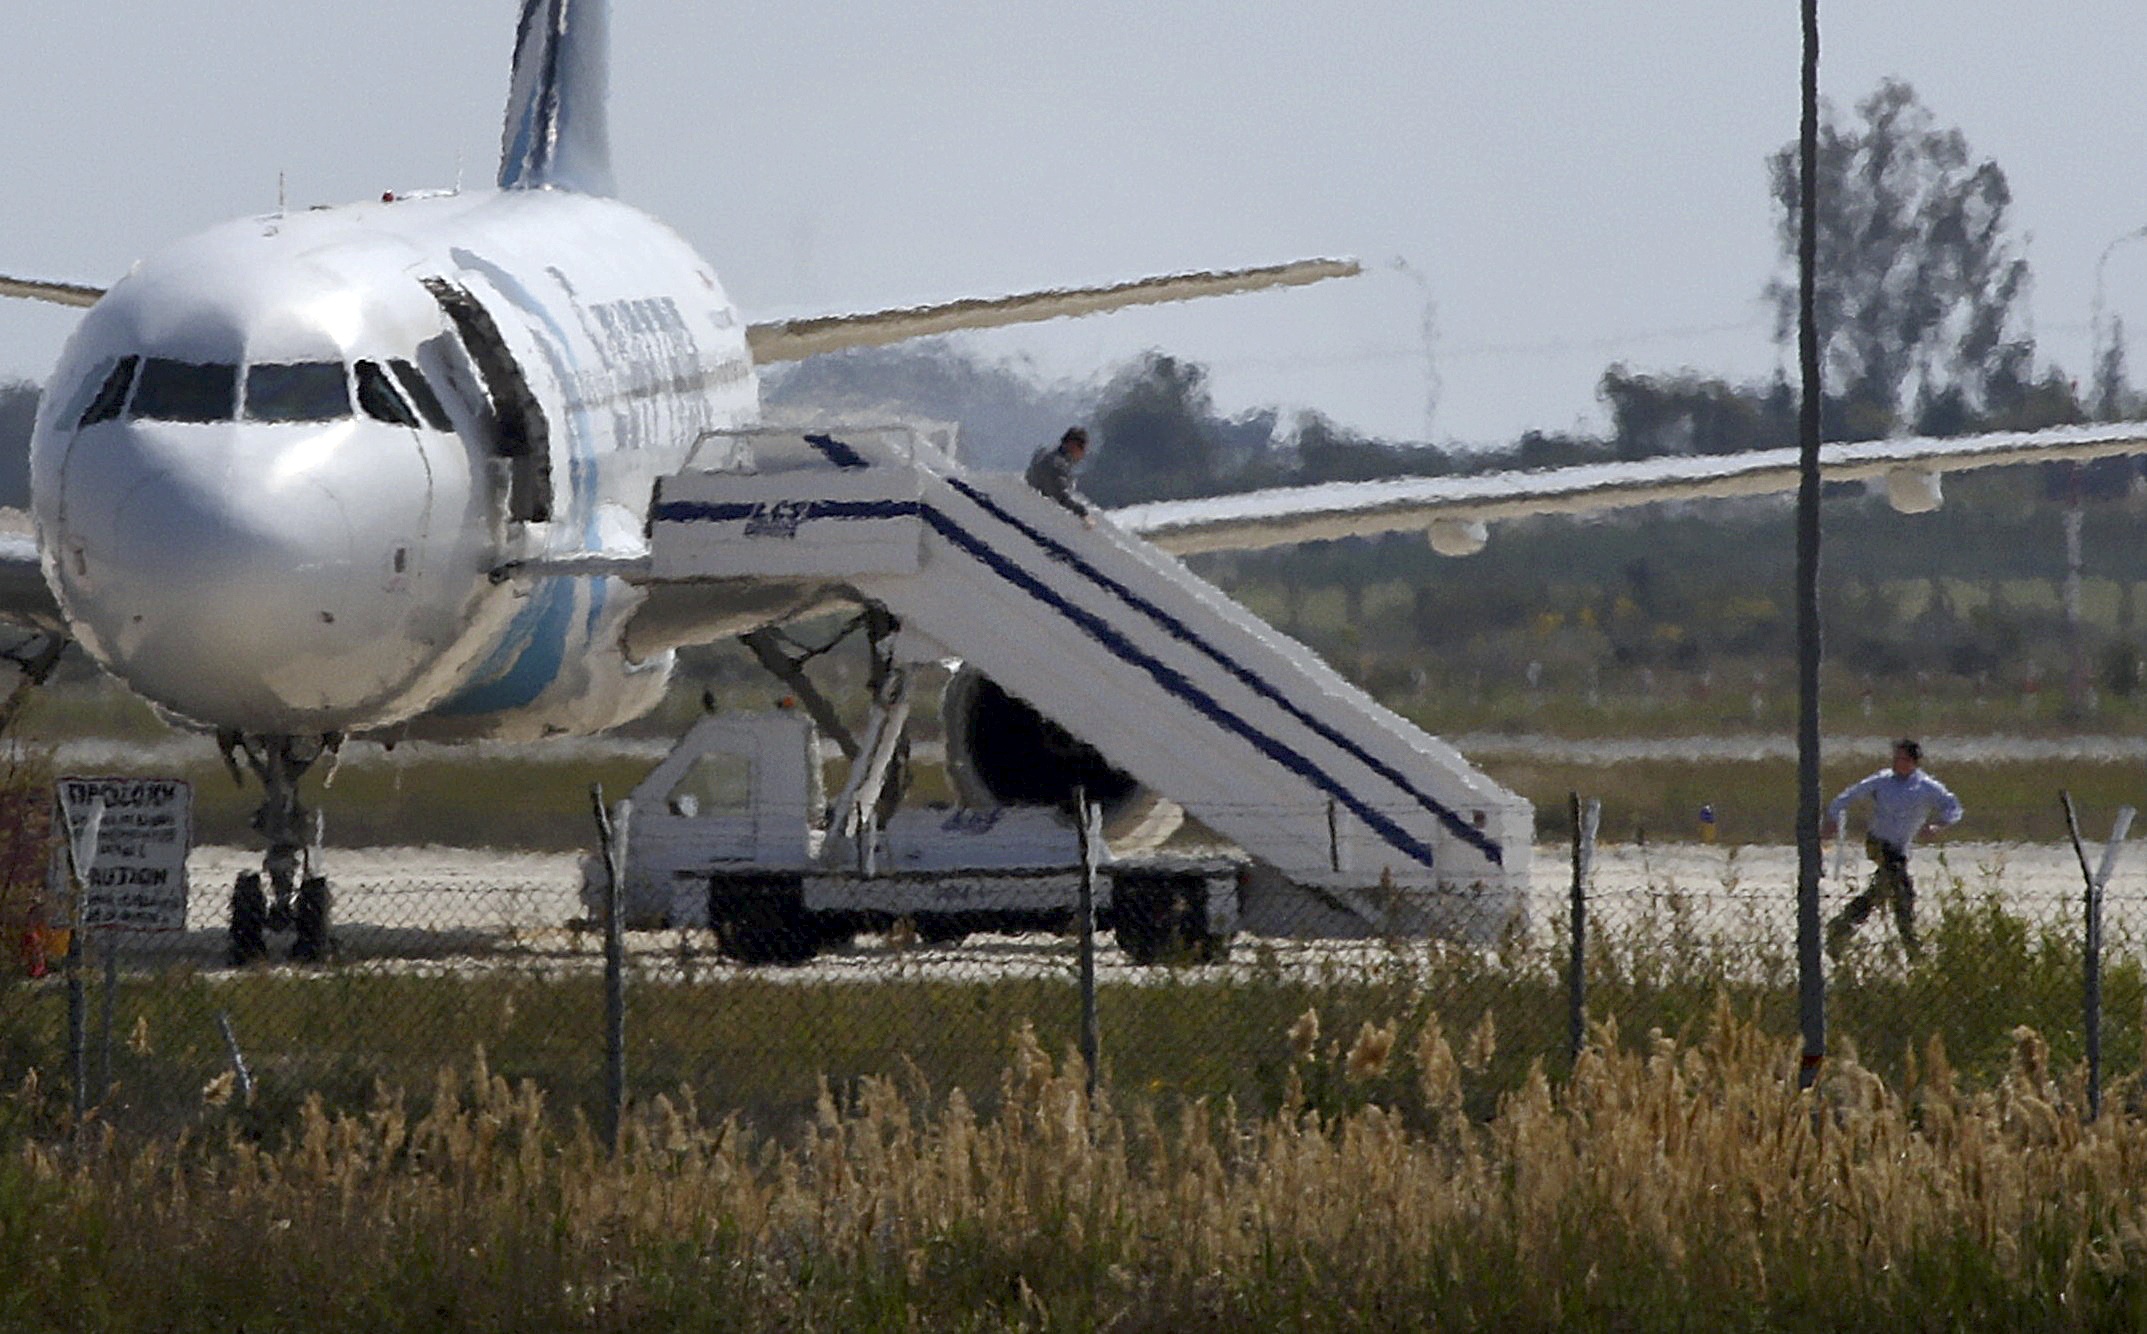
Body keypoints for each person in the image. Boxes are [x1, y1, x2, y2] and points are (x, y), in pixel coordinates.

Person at [1821, 738, 1962, 960]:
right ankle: (1911, 946)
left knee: (1883, 891)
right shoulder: (1882, 780)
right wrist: (1832, 818)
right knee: (1902, 888)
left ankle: (1841, 926)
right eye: (1896, 758)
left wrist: (1937, 826)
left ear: (1914, 762)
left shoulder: (1926, 787)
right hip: (1878, 843)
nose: (1898, 763)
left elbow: (1953, 807)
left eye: (1904, 759)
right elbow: (1849, 796)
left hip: (1901, 849)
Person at [1026, 426, 1096, 528]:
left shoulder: (1045, 451)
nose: (1084, 454)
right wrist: (1083, 513)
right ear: (1073, 445)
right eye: (1082, 448)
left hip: (1030, 499)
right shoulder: (1059, 465)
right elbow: (1061, 497)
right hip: (1037, 516)